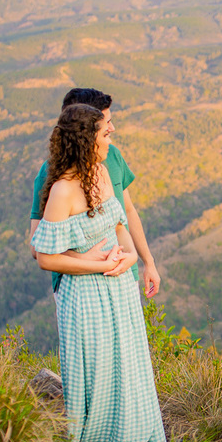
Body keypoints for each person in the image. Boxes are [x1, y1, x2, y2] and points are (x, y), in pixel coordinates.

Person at [29, 104, 167, 442]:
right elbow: (44, 256)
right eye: (107, 131)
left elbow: (119, 223)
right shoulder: (61, 191)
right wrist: (98, 265)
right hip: (85, 297)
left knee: (127, 367)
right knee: (100, 374)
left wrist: (129, 257)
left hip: (119, 288)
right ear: (87, 139)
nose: (113, 135)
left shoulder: (103, 173)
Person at [29, 88, 160, 299]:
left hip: (123, 274)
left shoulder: (112, 157)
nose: (112, 129)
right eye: (106, 123)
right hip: (80, 286)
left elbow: (127, 211)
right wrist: (85, 259)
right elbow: (39, 246)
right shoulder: (52, 175)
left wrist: (147, 262)